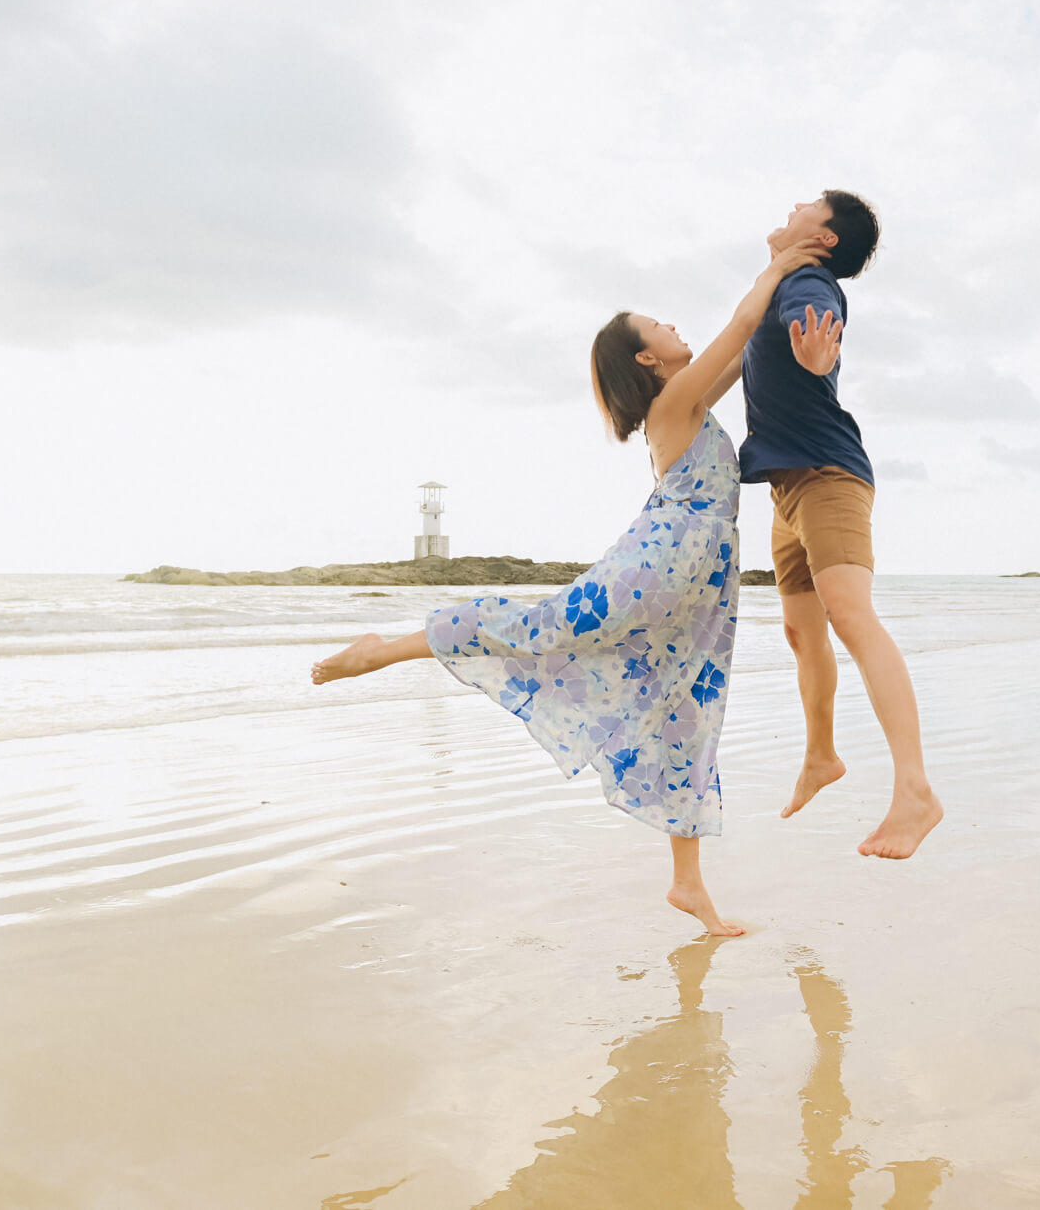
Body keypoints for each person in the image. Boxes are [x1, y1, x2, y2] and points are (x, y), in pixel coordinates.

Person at [310, 235, 833, 936]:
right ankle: (390, 645)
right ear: (647, 357)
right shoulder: (673, 404)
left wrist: (802, 282)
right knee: (541, 628)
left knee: (688, 710)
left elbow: (751, 344)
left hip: (704, 584)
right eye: (659, 326)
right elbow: (741, 328)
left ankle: (687, 883)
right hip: (658, 564)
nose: (674, 326)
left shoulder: (690, 400)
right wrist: (782, 263)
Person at [735, 192, 942, 859]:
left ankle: (915, 790)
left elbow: (817, 332)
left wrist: (817, 359)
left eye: (808, 204)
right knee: (803, 631)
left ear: (822, 238)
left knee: (851, 616)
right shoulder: (781, 281)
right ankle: (821, 754)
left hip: (827, 477)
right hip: (788, 487)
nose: (792, 204)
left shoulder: (809, 283)